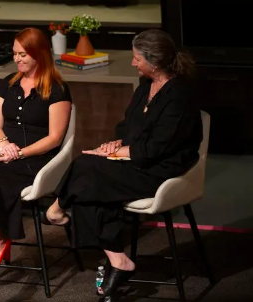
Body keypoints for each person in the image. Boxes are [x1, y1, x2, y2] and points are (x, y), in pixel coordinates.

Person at [43, 29, 202, 299]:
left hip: (161, 170)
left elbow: (157, 148)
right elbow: (128, 126)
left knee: (86, 169)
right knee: (90, 182)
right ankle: (119, 260)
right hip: (137, 160)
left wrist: (120, 152)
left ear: (153, 62)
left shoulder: (179, 95)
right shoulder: (144, 87)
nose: (132, 63)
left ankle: (56, 208)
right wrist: (114, 144)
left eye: (136, 58)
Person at [0, 27, 72, 269]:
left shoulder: (56, 89)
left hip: (38, 159)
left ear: (39, 54)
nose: (16, 59)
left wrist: (20, 153)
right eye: (14, 54)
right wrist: (4, 144)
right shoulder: (8, 83)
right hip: (5, 153)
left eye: (22, 55)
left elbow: (55, 138)